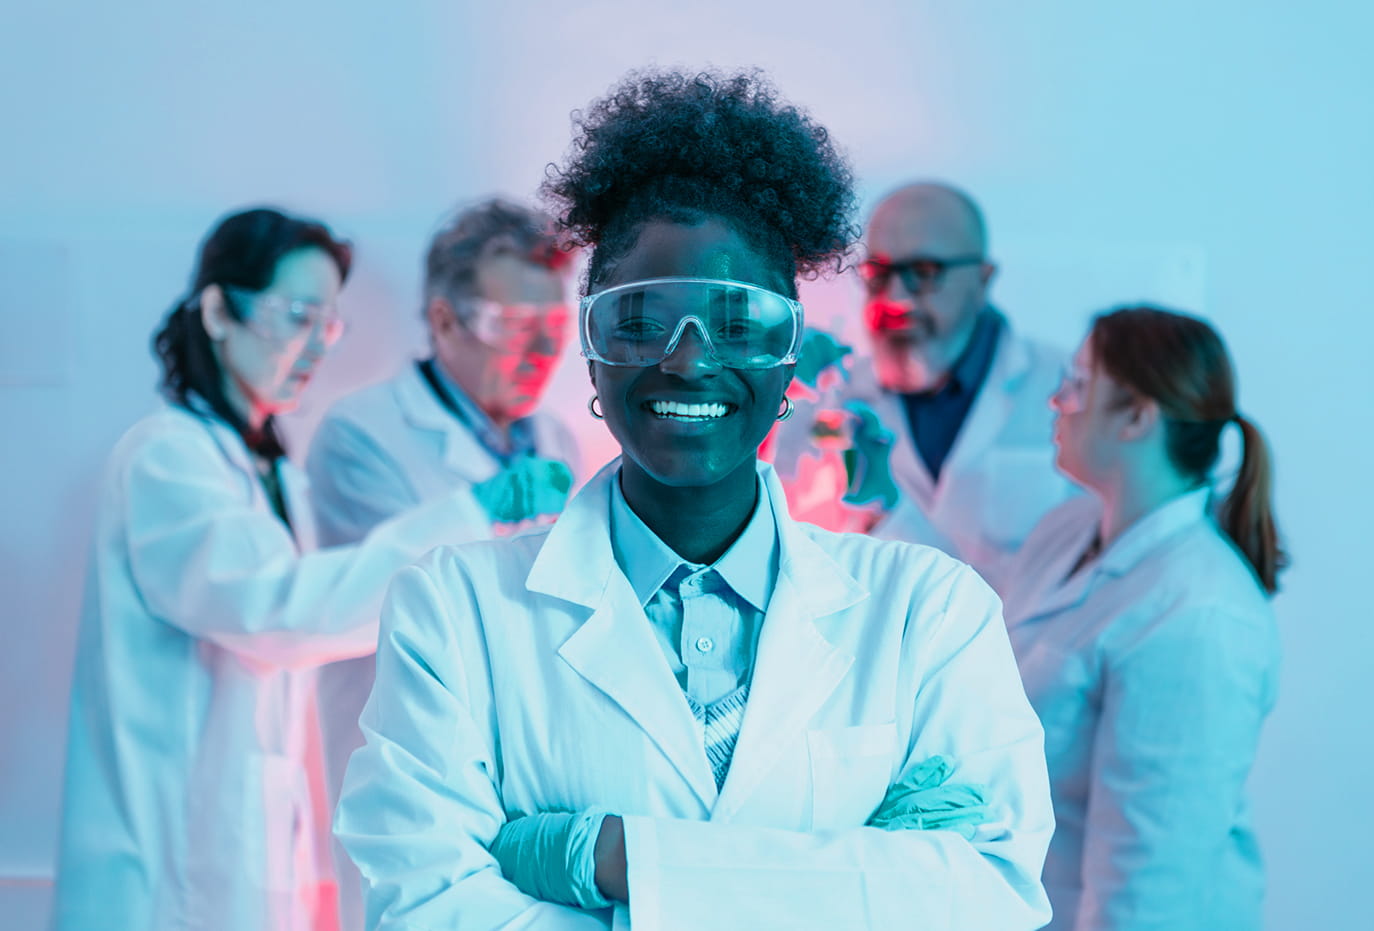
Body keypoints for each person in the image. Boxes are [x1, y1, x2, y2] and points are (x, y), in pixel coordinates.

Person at [335, 69, 1054, 930]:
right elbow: (424, 908)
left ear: (791, 355)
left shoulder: (930, 612)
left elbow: (988, 896)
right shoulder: (452, 610)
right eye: (640, 321)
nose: (687, 359)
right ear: (593, 350)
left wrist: (611, 857)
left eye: (739, 323)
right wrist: (859, 875)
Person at [51, 208, 479, 931]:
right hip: (162, 877)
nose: (316, 346)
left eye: (328, 326)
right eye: (299, 317)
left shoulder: (272, 473)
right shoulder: (166, 457)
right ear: (219, 311)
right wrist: (463, 516)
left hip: (244, 864)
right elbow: (282, 611)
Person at [305, 197, 579, 930]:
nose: (542, 350)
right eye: (513, 324)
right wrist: (483, 509)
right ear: (445, 319)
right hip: (414, 761)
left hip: (533, 764)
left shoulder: (555, 438)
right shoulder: (362, 434)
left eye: (554, 326)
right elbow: (397, 597)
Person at [1000, 306, 1285, 929]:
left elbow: (1148, 880)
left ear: (1137, 417)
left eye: (1077, 384)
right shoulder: (1066, 530)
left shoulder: (1199, 617)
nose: (1055, 400)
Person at [852, 182, 1076, 592]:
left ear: (983, 279)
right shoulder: (837, 397)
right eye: (877, 274)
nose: (894, 298)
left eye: (924, 273)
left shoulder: (1065, 386)